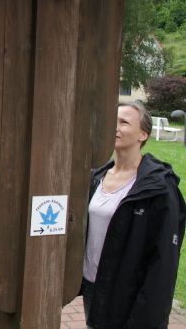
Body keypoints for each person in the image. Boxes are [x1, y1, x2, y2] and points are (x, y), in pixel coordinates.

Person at [82, 101, 185, 328]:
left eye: (124, 122)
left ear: (143, 134)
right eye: (113, 121)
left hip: (126, 294)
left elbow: (163, 261)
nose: (114, 127)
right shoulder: (97, 177)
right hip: (93, 286)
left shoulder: (158, 187)